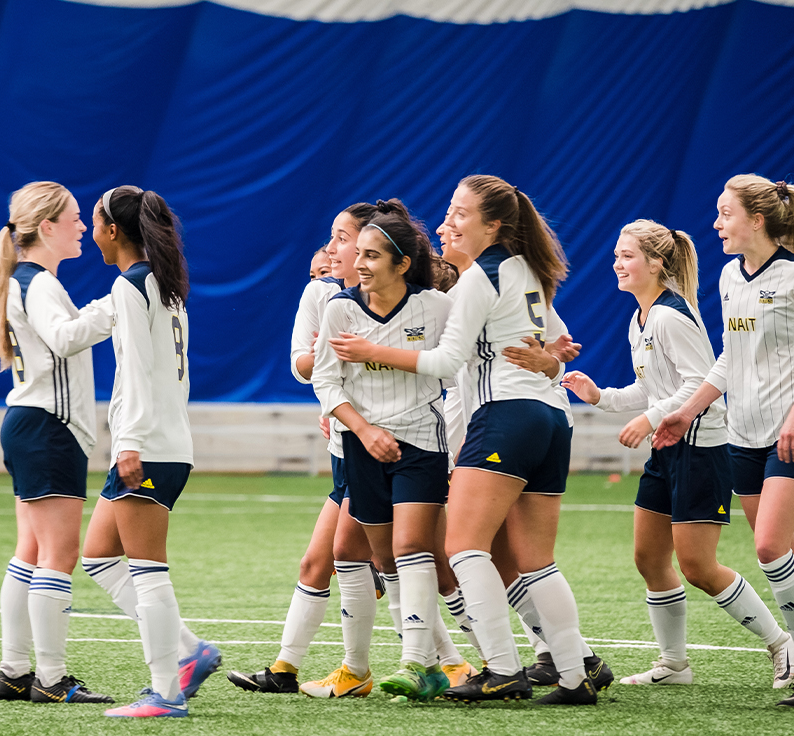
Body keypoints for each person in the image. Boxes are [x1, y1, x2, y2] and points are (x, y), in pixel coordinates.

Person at [564, 219, 794, 688]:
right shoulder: (640, 319)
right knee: (649, 559)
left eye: (627, 256)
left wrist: (649, 419)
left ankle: (783, 645)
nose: (617, 264)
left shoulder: (672, 316)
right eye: (616, 255)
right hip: (665, 452)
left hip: (701, 452)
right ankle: (674, 666)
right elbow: (651, 389)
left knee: (698, 567)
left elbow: (701, 385)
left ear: (656, 264)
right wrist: (600, 397)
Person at [654, 176, 794, 708]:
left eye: (725, 214)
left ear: (757, 220)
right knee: (782, 550)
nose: (716, 224)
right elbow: (729, 358)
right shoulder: (726, 277)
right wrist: (683, 412)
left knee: (767, 546)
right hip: (742, 437)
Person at [405, 175, 598, 704]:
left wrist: (371, 352)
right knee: (537, 560)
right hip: (549, 422)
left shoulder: (478, 279)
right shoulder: (526, 269)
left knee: (464, 547)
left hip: (507, 417)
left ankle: (502, 670)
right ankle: (575, 679)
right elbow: (558, 347)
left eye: (460, 212)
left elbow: (445, 362)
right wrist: (551, 359)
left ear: (493, 224)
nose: (450, 220)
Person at [227, 203, 403, 697]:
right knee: (328, 560)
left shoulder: (404, 300)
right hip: (352, 450)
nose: (329, 251)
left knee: (434, 563)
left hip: (396, 447)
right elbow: (305, 365)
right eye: (333, 240)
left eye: (341, 239)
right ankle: (292, 669)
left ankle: (461, 661)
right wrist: (336, 392)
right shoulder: (331, 297)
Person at [78, 185, 219, 719]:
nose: (91, 233)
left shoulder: (131, 288)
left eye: (94, 223)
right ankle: (189, 651)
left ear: (113, 231)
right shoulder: (162, 284)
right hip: (167, 441)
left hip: (150, 446)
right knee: (97, 557)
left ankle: (165, 691)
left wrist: (128, 442)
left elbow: (135, 370)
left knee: (147, 569)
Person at [310, 201, 454, 702]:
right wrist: (365, 430)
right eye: (361, 253)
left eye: (374, 255)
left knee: (411, 547)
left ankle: (417, 664)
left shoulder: (435, 308)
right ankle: (397, 666)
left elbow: (455, 365)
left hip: (421, 442)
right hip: (360, 446)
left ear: (402, 264)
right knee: (380, 558)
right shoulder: (339, 309)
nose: (361, 263)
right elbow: (325, 383)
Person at [0, 182, 116, 705]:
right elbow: (64, 339)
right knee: (58, 556)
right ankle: (52, 679)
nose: (84, 226)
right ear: (47, 227)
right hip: (47, 429)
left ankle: (16, 671)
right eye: (75, 218)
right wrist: (115, 306)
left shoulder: (30, 281)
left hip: (30, 424)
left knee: (31, 553)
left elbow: (58, 336)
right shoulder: (37, 283)